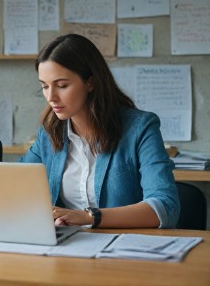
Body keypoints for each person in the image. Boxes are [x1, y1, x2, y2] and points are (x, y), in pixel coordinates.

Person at [20, 34, 180, 229]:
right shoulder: (49, 132)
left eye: (62, 85)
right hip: (68, 246)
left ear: (91, 82)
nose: (51, 97)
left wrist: (90, 217)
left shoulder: (140, 127)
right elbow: (16, 185)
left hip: (125, 248)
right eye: (44, 86)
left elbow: (165, 206)